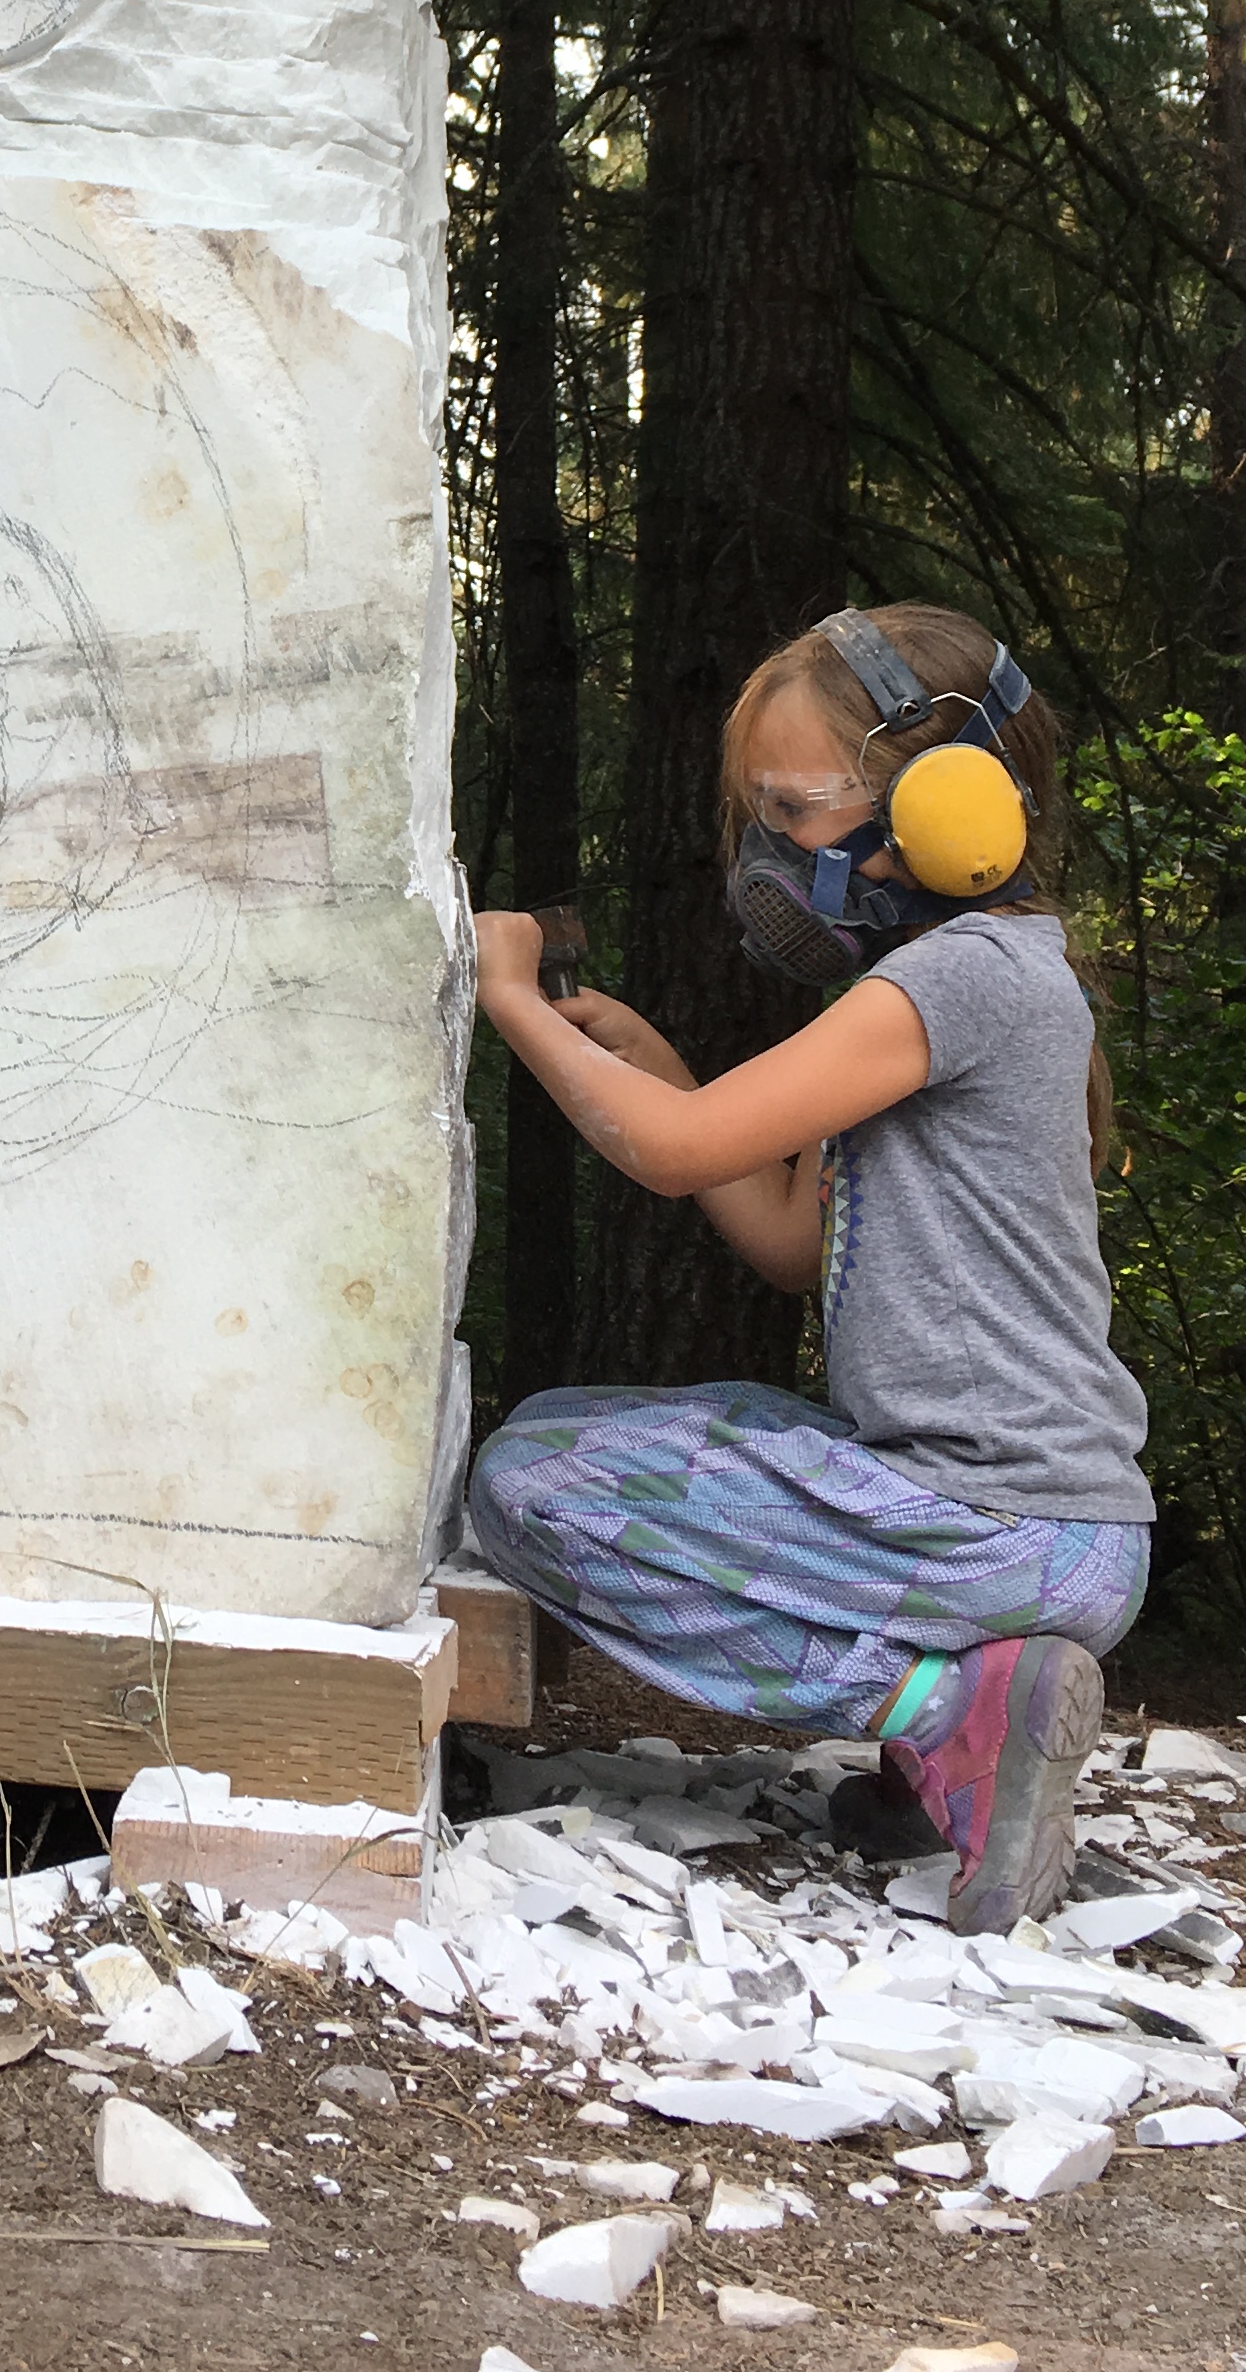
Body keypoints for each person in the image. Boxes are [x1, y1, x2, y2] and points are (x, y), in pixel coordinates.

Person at [466, 604, 1150, 1933]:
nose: (776, 850)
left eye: (796, 806)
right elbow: (789, 1239)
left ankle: (952, 1711)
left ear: (953, 801)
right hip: (1004, 1516)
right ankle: (945, 1740)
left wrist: (508, 1002)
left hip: (1007, 1523)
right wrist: (643, 1054)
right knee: (562, 1432)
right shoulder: (953, 979)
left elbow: (670, 1156)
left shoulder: (956, 981)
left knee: (528, 1486)